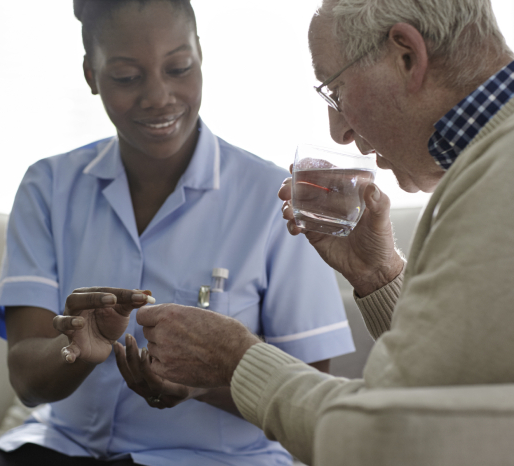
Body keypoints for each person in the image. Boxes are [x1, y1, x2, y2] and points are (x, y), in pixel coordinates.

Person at [0, 1, 355, 465]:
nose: (159, 96)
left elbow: (306, 400)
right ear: (91, 76)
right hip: (61, 450)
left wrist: (203, 383)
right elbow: (28, 381)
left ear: (200, 55)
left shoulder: (273, 198)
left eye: (178, 68)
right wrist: (75, 347)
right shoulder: (48, 187)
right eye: (127, 77)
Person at [135, 0, 514, 464]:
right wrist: (379, 276)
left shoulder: (499, 183)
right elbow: (453, 386)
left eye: (335, 92)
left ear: (407, 57)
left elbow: (388, 436)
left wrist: (236, 360)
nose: (340, 133)